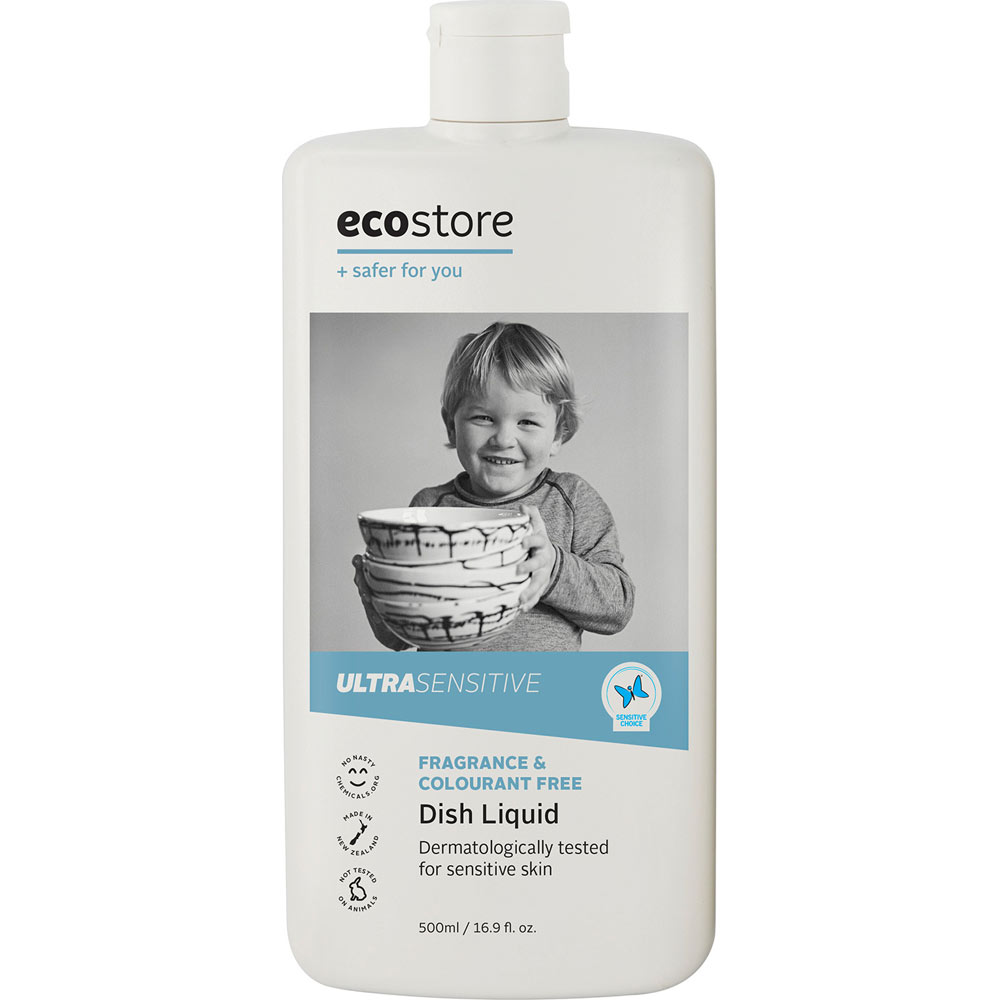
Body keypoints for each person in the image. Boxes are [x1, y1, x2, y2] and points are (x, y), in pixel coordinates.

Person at [353, 321, 635, 650]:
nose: (503, 439)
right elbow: (397, 639)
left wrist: (553, 568)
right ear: (451, 426)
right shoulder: (429, 508)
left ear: (558, 435)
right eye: (483, 418)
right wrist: (377, 595)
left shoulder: (571, 500)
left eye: (527, 422)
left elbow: (618, 607)